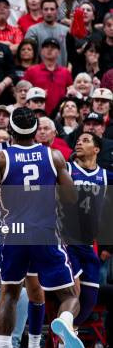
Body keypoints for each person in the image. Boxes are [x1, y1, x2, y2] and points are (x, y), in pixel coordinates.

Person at [0, 107, 83, 348]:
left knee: (10, 293)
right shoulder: (53, 156)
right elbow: (72, 197)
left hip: (13, 234)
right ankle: (65, 321)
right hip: (44, 232)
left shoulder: (0, 159)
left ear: (10, 131)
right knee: (69, 295)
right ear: (37, 131)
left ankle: (3, 347)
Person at [63, 132, 111, 331]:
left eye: (85, 140)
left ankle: (69, 332)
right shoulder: (66, 169)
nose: (79, 143)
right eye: (78, 140)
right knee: (74, 291)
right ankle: (64, 336)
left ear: (97, 149)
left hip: (88, 243)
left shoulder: (106, 177)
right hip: (65, 240)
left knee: (90, 296)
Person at [24, 37, 73, 115]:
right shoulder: (31, 71)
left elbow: (70, 93)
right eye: (46, 47)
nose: (49, 49)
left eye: (53, 47)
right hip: (36, 114)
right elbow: (24, 92)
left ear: (59, 52)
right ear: (42, 51)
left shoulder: (65, 72)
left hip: (60, 115)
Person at [25, 0, 70, 67]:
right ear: (41, 11)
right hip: (39, 73)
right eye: (46, 9)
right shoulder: (33, 30)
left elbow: (72, 55)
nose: (49, 12)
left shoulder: (66, 31)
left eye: (52, 9)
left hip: (61, 72)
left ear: (57, 11)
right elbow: (27, 54)